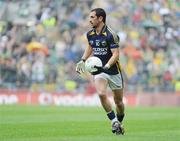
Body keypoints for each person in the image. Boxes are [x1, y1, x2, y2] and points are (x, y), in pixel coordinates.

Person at [76, 8, 125, 135]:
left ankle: (120, 122)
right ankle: (114, 121)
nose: (89, 20)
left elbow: (116, 54)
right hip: (99, 71)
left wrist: (107, 66)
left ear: (100, 18)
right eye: (90, 17)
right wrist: (82, 60)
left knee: (118, 102)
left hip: (113, 71)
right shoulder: (90, 34)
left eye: (92, 17)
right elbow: (90, 46)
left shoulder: (111, 34)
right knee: (101, 94)